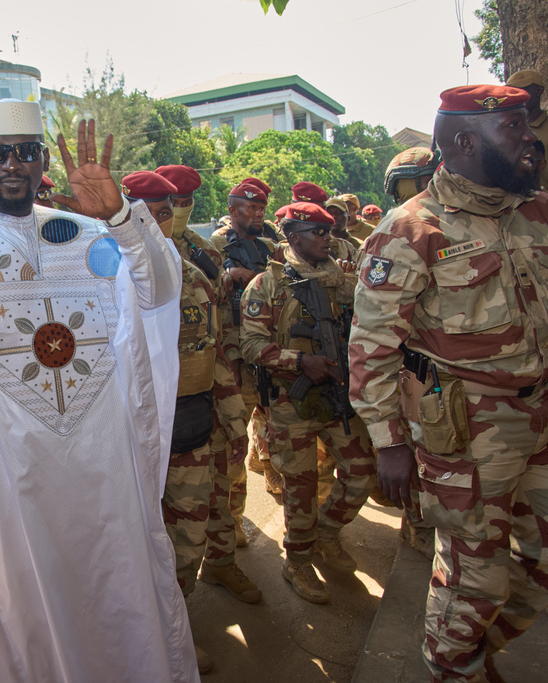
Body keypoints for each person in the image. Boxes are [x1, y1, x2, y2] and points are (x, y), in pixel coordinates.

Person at [0, 100, 198, 681]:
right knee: (14, 617)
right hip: (6, 478)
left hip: (104, 477)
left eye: (26, 152)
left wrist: (123, 217)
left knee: (113, 604)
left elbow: (157, 292)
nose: (12, 164)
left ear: (42, 161)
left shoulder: (91, 236)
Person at [350, 84, 548, 682]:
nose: (530, 140)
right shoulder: (410, 231)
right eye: (513, 128)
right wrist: (388, 442)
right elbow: (372, 347)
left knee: (536, 571)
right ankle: (454, 668)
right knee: (474, 582)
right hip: (466, 432)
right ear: (464, 142)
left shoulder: (534, 210)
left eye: (526, 125)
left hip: (539, 420)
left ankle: (473, 656)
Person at [124, 170, 255, 672]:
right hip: (124, 438)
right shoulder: (90, 275)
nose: (156, 223)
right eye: (142, 214)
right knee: (127, 540)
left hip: (187, 429)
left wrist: (233, 418)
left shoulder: (194, 276)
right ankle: (134, 638)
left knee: (187, 540)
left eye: (164, 212)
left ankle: (172, 633)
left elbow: (215, 352)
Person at [241, 202, 376, 605]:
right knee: (300, 488)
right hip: (290, 402)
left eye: (329, 230)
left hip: (338, 395)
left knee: (361, 471)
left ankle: (326, 535)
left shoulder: (343, 279)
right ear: (294, 236)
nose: (327, 238)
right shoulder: (267, 284)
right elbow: (249, 344)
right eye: (317, 231)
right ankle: (297, 559)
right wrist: (299, 361)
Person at [211, 179, 281, 503]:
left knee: (274, 425)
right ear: (232, 210)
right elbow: (217, 303)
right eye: (251, 207)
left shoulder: (272, 244)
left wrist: (251, 276)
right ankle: (234, 515)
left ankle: (271, 473)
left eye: (262, 208)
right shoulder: (216, 243)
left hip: (268, 347)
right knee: (233, 436)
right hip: (235, 349)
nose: (257, 213)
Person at [506, 69, 548, 188]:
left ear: (539, 91)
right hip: (511, 203)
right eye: (512, 92)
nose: (516, 96)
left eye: (522, 91)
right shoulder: (506, 129)